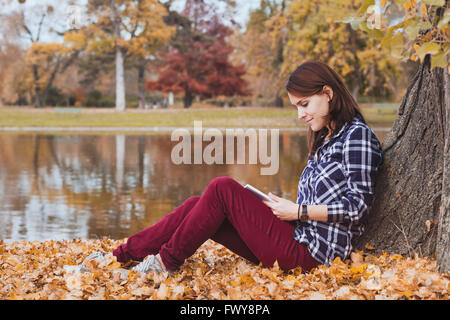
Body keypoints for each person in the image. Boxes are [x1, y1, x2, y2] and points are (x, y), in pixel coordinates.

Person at [85, 61, 383, 275]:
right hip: (296, 237)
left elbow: (357, 208)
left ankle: (164, 264)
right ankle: (118, 257)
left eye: (304, 104)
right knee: (196, 204)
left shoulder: (356, 137)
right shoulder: (324, 138)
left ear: (328, 93)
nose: (300, 114)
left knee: (222, 188)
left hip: (315, 256)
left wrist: (298, 211)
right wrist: (281, 208)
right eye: (296, 107)